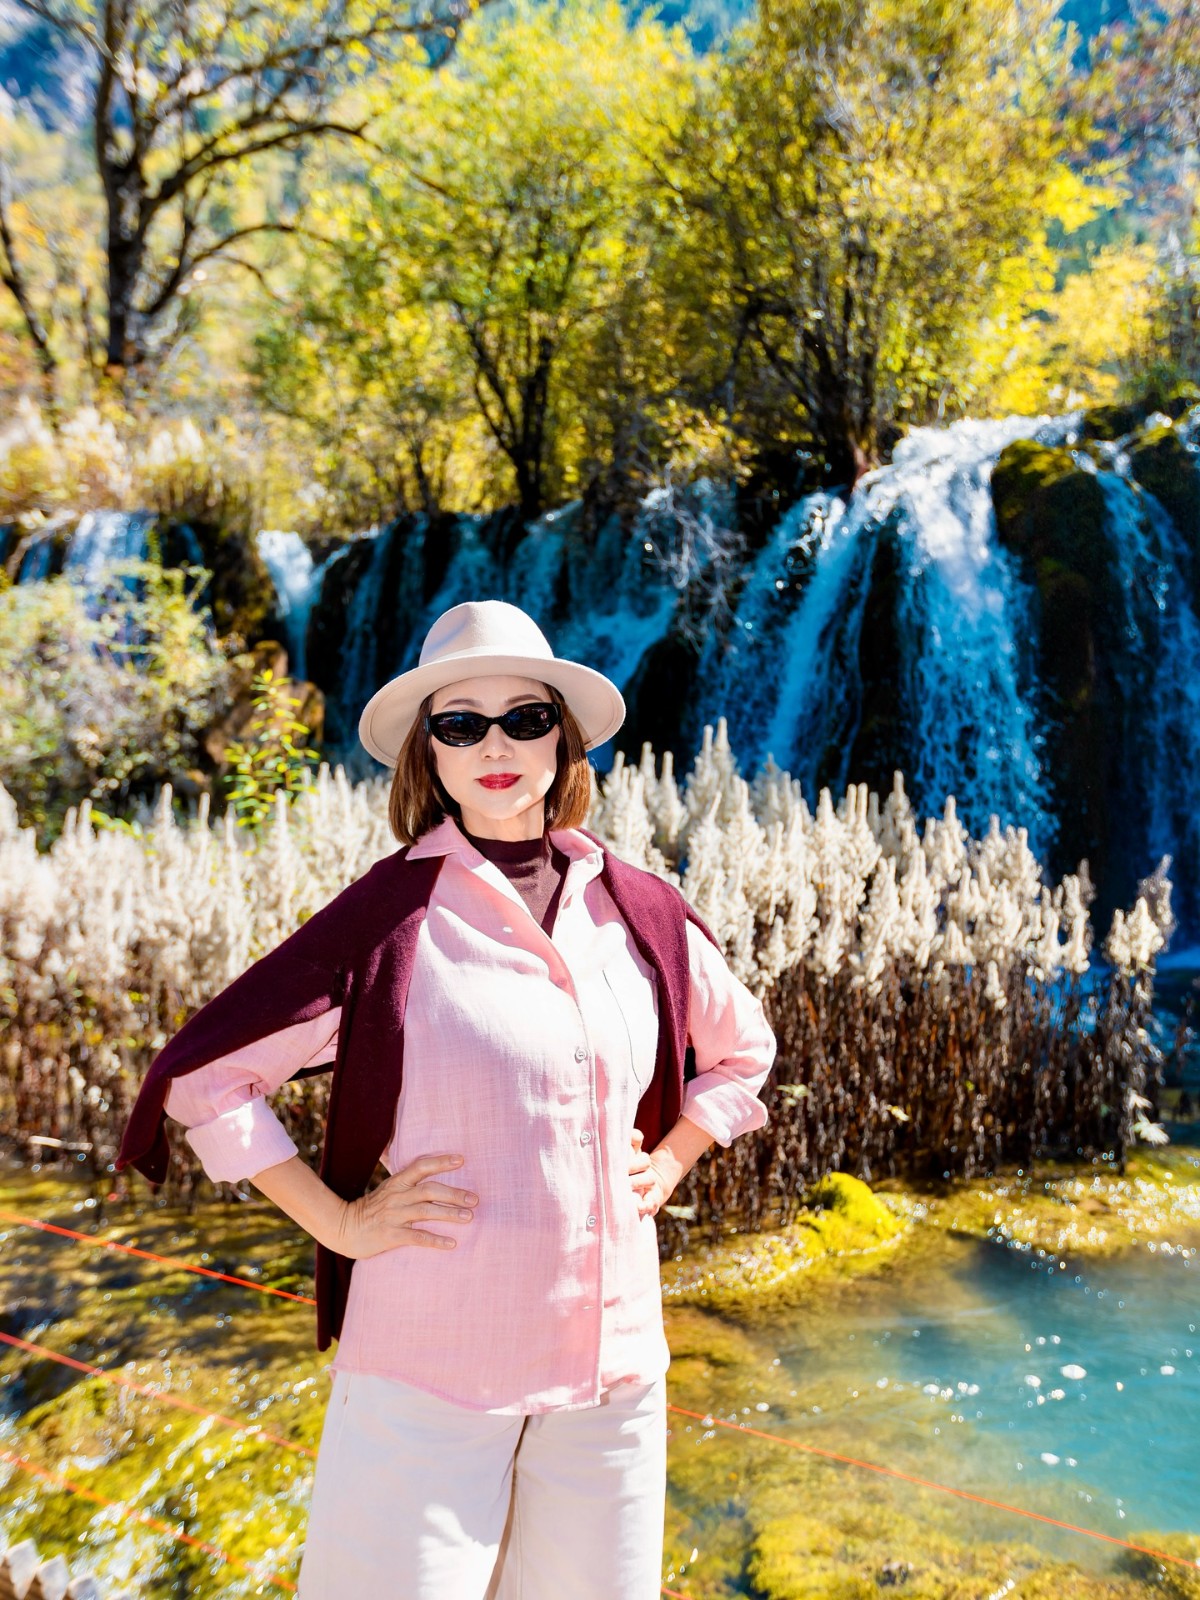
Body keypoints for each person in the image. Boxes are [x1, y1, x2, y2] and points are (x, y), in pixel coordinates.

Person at [131, 598, 777, 1599]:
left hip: (610, 1378)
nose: (496, 746)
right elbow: (205, 1077)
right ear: (428, 753)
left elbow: (743, 1051)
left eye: (525, 717)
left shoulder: (640, 909)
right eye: (461, 724)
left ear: (562, 736)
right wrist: (340, 1223)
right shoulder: (387, 920)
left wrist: (676, 1153)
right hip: (429, 1375)